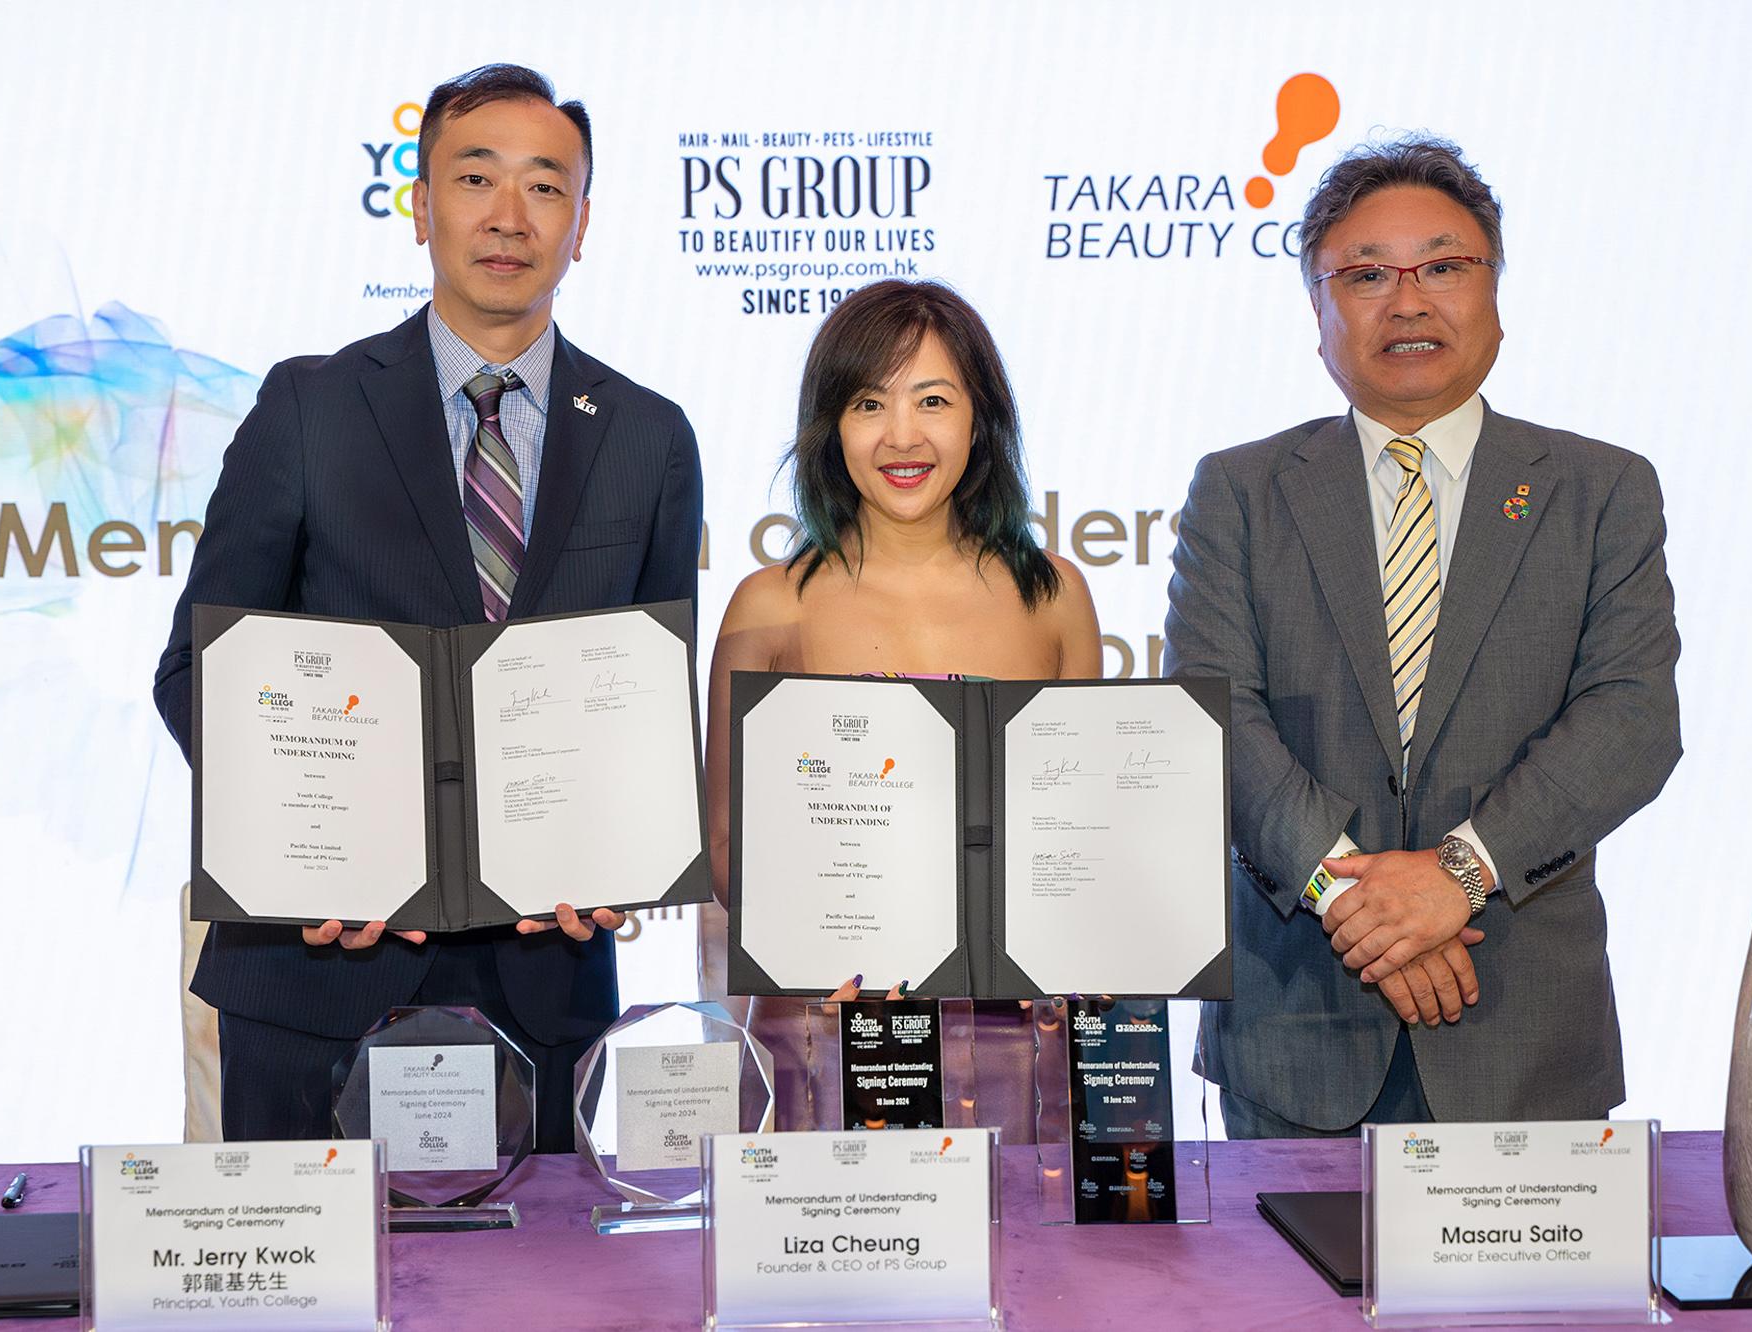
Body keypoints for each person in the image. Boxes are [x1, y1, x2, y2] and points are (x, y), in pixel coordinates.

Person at [153, 64, 703, 1149]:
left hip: (542, 988)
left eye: (545, 186)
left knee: (540, 1269)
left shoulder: (649, 438)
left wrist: (619, 851)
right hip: (315, 976)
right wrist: (300, 854)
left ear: (583, 225)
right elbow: (195, 676)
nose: (509, 216)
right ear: (419, 206)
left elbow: (642, 710)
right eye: (475, 177)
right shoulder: (308, 406)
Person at [1164, 137, 1681, 1137]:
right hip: (1299, 1031)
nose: (1406, 302)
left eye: (1442, 267)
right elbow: (1213, 720)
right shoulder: (1239, 492)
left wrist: (1457, 877)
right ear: (1317, 314)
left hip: (1521, 1030)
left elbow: (1631, 722)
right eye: (1365, 276)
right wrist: (1356, 904)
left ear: (1495, 293)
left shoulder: (1600, 490)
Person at [700, 279, 1100, 1130]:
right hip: (829, 1020)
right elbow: (726, 848)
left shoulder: (1055, 596)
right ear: (830, 427)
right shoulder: (769, 604)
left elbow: (1079, 833)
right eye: (869, 404)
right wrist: (830, 930)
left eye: (933, 400)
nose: (903, 436)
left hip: (1011, 1032)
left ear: (980, 418)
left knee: (1018, 1219)